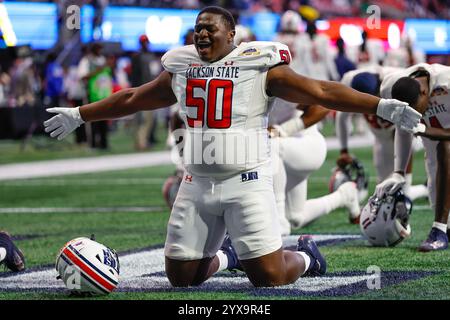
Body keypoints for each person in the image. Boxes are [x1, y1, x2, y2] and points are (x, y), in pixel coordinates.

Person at [44, 6, 421, 287]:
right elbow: (131, 98)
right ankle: (228, 256)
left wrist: (381, 105)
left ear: (232, 34)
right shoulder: (182, 66)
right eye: (197, 30)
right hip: (196, 183)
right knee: (182, 278)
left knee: (269, 277)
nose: (202, 35)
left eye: (210, 29)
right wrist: (80, 114)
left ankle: (307, 258)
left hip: (247, 180)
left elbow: (322, 90)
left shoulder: (259, 65)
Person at [375, 63, 450, 252]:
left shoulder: (447, 83)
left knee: (446, 147)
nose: (417, 116)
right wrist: (398, 172)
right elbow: (403, 124)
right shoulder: (389, 87)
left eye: (417, 110)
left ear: (425, 93)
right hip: (435, 143)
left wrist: (425, 129)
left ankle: (438, 230)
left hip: (443, 138)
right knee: (437, 197)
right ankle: (445, 228)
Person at [335, 66, 429, 201]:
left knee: (402, 191)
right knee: (385, 190)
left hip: (405, 133)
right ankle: (426, 188)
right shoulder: (348, 82)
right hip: (381, 137)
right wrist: (343, 150)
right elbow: (341, 117)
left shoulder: (393, 82)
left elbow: (409, 127)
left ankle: (427, 188)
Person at [269, 102, 361, 236]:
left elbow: (322, 105)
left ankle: (279, 221)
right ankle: (345, 196)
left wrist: (283, 130)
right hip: (286, 153)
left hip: (307, 146)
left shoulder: (278, 83)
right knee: (295, 218)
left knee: (268, 145)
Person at [78, 42, 113, 149]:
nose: (100, 51)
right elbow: (82, 77)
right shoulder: (86, 61)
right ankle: (92, 144)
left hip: (103, 94)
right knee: (92, 120)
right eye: (98, 48)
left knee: (104, 119)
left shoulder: (102, 60)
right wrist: (97, 71)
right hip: (91, 94)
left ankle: (104, 143)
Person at [130, 35, 160, 150]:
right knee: (141, 118)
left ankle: (144, 141)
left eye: (146, 42)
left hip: (151, 90)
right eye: (143, 42)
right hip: (141, 90)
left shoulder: (151, 56)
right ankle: (140, 142)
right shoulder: (137, 56)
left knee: (148, 119)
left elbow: (155, 73)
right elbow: (134, 76)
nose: (145, 44)